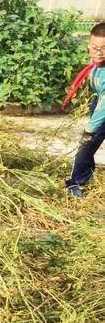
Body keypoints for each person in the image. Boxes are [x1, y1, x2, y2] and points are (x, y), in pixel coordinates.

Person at [64, 22, 105, 198]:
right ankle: (86, 176)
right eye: (95, 47)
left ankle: (76, 184)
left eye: (104, 48)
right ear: (88, 45)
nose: (99, 52)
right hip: (99, 103)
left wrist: (90, 128)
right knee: (90, 145)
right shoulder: (96, 62)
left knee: (87, 142)